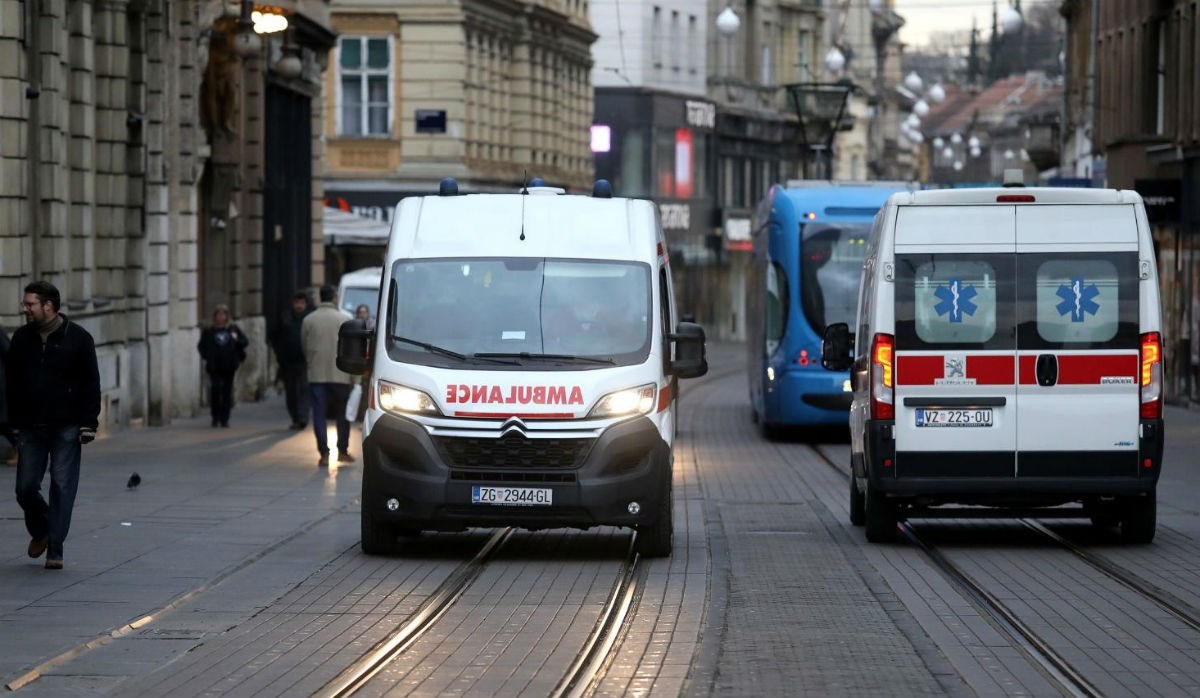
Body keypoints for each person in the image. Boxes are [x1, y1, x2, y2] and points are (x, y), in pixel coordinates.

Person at [7, 281, 101, 570]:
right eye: (25, 304)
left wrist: (88, 423)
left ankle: (55, 549)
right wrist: (13, 423)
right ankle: (44, 529)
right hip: (31, 426)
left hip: (67, 425)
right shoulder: (22, 338)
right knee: (25, 488)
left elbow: (91, 383)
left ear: (48, 306)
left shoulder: (79, 339)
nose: (25, 309)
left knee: (62, 485)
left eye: (30, 304)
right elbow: (12, 383)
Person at [302, 285, 354, 467]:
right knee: (342, 414)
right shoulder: (345, 319)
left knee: (319, 414)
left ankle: (324, 453)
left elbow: (304, 345)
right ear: (334, 298)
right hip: (341, 374)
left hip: (317, 375)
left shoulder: (309, 320)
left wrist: (312, 362)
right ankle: (342, 451)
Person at [196, 303, 248, 428]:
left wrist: (236, 340)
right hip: (214, 366)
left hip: (229, 365)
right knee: (215, 389)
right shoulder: (209, 331)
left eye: (223, 314)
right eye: (219, 314)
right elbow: (201, 346)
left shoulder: (232, 329)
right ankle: (215, 416)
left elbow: (245, 342)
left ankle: (225, 418)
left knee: (226, 391)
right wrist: (207, 356)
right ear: (215, 316)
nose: (221, 316)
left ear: (226, 316)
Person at [271, 291, 314, 430]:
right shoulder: (286, 317)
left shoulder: (309, 317)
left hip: (303, 360)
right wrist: (279, 353)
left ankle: (303, 417)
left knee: (303, 390)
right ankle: (295, 418)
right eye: (297, 302)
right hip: (287, 362)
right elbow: (274, 335)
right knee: (291, 391)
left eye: (301, 302)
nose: (299, 305)